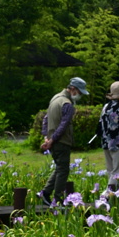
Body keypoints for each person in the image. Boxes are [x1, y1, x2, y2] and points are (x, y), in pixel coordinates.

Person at [40, 77, 89, 206]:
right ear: (72, 89)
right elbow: (63, 125)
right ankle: (58, 200)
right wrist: (52, 140)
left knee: (60, 168)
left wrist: (46, 137)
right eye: (79, 92)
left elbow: (45, 119)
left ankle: (45, 193)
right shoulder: (67, 104)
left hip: (53, 141)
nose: (80, 96)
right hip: (61, 142)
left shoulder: (55, 98)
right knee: (63, 171)